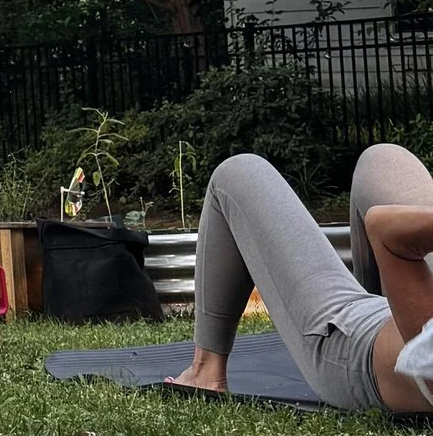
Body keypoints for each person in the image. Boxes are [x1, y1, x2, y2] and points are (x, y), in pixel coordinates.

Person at [171, 144, 433, 409]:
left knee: (236, 174)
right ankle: (401, 321)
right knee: (383, 158)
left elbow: (384, 230)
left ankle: (204, 372)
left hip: (362, 355)